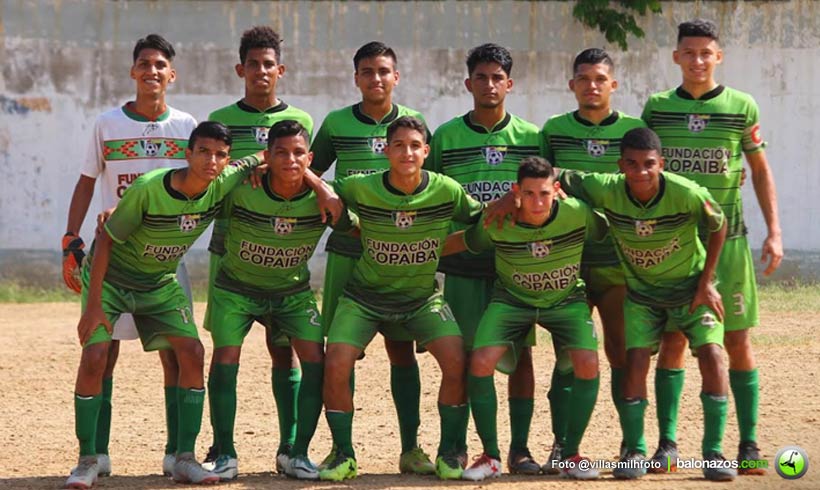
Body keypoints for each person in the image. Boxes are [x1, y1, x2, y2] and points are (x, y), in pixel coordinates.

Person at [65, 121, 263, 488]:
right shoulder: (149, 189)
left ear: (227, 160)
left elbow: (264, 156)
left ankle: (184, 458)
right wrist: (93, 307)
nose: (211, 160)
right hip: (112, 280)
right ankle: (87, 459)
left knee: (192, 351)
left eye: (220, 155)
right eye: (203, 152)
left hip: (159, 282)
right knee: (95, 356)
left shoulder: (222, 181)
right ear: (187, 154)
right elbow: (105, 241)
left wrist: (296, 175)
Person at [642, 19, 782, 475]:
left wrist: (774, 231)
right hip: (675, 244)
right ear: (676, 57)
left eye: (706, 52)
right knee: (673, 339)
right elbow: (643, 169)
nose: (698, 60)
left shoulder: (741, 105)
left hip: (731, 240)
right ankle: (667, 444)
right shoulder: (658, 108)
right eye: (689, 52)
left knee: (737, 340)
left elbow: (758, 170)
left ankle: (748, 443)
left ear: (718, 57)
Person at [558, 127, 735, 481]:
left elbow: (719, 224)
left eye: (649, 164)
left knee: (713, 356)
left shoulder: (686, 192)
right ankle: (635, 450)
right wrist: (517, 196)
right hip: (642, 295)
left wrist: (705, 283)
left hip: (690, 291)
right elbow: (555, 175)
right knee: (634, 361)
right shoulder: (605, 187)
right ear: (620, 165)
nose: (641, 171)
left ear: (661, 164)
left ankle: (713, 452)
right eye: (632, 164)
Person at [319, 116, 483, 481]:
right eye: (398, 145)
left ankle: (448, 451)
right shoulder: (362, 186)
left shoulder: (446, 189)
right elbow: (323, 189)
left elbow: (480, 218)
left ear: (426, 151)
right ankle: (342, 453)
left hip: (421, 299)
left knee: (457, 360)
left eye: (414, 146)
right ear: (385, 150)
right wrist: (322, 189)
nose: (407, 152)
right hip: (364, 297)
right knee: (336, 361)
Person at [62, 33, 196, 479]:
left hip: (165, 260)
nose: (151, 70)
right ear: (132, 71)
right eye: (144, 63)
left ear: (171, 74)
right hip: (113, 256)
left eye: (160, 64)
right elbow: (86, 181)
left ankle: (178, 454)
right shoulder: (107, 124)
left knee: (176, 354)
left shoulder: (187, 126)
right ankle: (95, 455)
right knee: (102, 353)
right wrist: (70, 238)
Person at [309, 41, 435, 474]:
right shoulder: (336, 123)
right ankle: (342, 450)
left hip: (399, 256)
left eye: (383, 71)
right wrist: (325, 195)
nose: (375, 78)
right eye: (367, 71)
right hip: (348, 250)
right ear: (356, 78)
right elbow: (310, 171)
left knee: (401, 351)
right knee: (342, 353)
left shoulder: (413, 123)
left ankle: (411, 448)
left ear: (395, 77)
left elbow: (432, 184)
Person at [204, 121, 353, 481]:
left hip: (291, 293)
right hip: (236, 289)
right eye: (281, 153)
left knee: (315, 359)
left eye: (299, 153)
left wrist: (321, 187)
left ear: (310, 158)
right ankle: (225, 453)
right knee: (226, 357)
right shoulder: (243, 188)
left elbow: (356, 225)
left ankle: (295, 452)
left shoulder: (326, 198)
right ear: (267, 157)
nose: (290, 160)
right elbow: (198, 199)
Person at [444, 156, 604, 481]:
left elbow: (607, 232)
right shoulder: (499, 220)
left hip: (565, 301)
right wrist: (417, 252)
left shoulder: (577, 213)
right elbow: (465, 241)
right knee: (480, 362)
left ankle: (571, 454)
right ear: (516, 192)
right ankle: (491, 456)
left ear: (556, 190)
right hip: (512, 301)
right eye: (529, 194)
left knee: (588, 363)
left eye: (544, 193)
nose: (537, 202)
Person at [202, 25, 314, 476]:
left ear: (280, 70)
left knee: (283, 349)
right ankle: (222, 446)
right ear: (240, 69)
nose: (261, 71)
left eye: (269, 64)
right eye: (253, 64)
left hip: (280, 247)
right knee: (225, 347)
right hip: (230, 242)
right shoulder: (221, 118)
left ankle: (289, 446)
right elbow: (212, 173)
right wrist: (248, 165)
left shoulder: (302, 120)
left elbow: (305, 173)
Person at [425, 43, 542, 475]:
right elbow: (432, 195)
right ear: (468, 83)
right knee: (461, 357)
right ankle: (454, 446)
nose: (489, 84)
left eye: (497, 77)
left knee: (520, 357)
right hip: (463, 264)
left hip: (515, 265)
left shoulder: (532, 137)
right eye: (481, 77)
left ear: (509, 84)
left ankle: (520, 449)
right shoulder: (446, 136)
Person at [539, 47, 645, 472]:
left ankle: (633, 446)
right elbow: (542, 185)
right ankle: (563, 446)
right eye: (583, 79)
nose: (592, 86)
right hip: (567, 261)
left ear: (613, 84)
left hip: (618, 260)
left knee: (623, 351)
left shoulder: (635, 129)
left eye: (600, 78)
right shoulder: (554, 130)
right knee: (568, 356)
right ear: (572, 84)